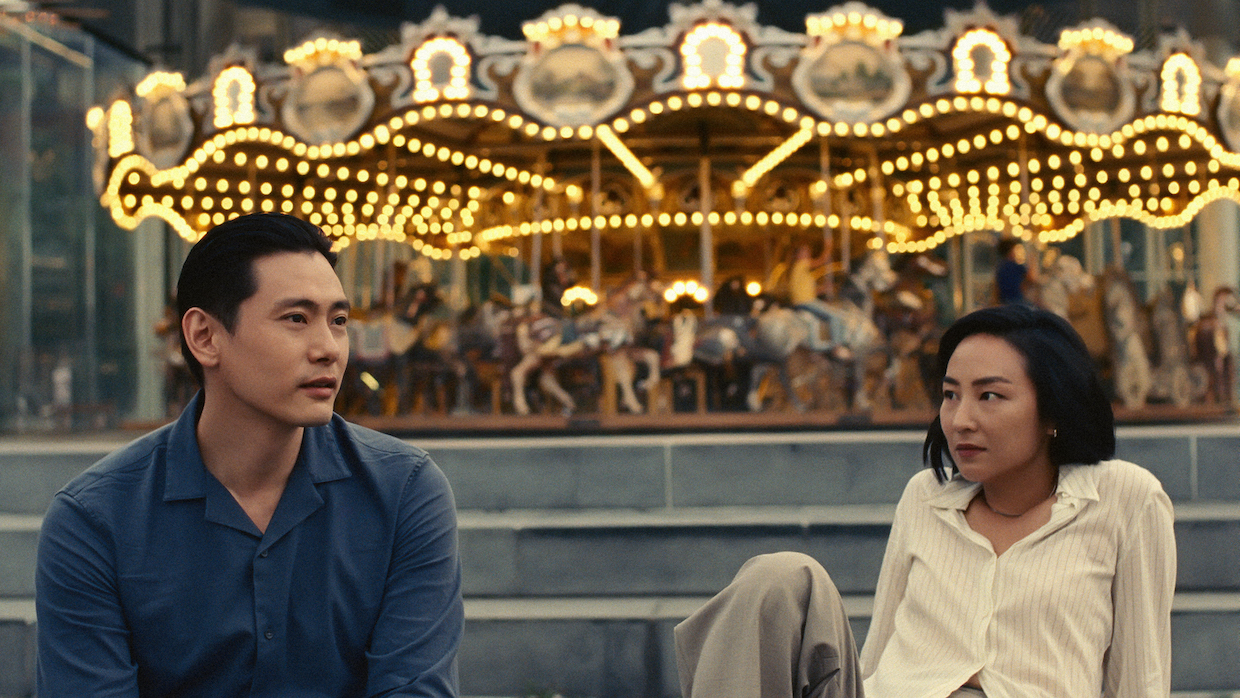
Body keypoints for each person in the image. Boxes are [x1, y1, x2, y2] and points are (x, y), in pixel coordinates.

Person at [36, 213, 464, 697]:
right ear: (204, 337)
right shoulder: (95, 521)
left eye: (339, 321)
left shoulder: (404, 492)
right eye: (296, 319)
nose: (329, 349)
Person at [675, 303, 1176, 698]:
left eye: (990, 396)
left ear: (1053, 408)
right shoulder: (926, 496)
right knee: (777, 578)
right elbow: (875, 657)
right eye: (951, 394)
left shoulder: (1125, 499)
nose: (960, 420)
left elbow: (1139, 681)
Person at [994, 237, 1037, 305]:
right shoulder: (1016, 266)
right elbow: (1031, 279)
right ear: (1011, 251)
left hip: (1004, 301)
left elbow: (996, 289)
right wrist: (1033, 261)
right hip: (1016, 301)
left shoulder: (1000, 267)